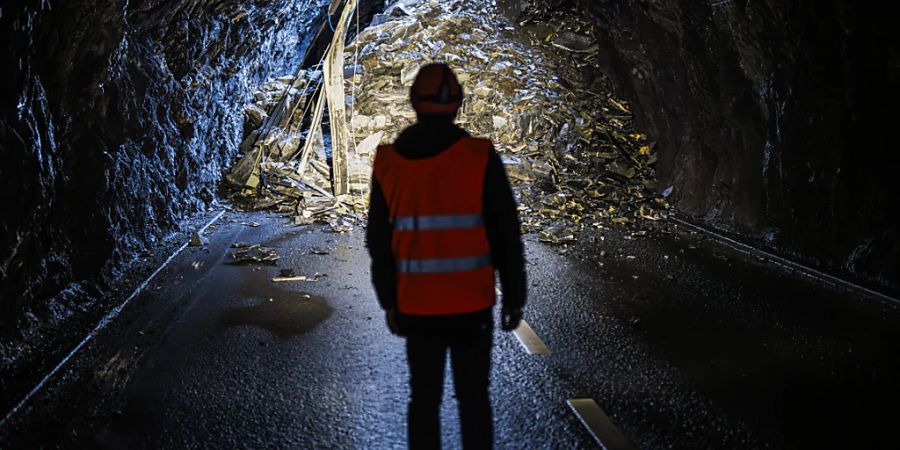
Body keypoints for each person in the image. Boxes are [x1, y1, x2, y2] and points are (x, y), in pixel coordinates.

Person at [366, 62, 527, 450]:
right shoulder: (478, 156)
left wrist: (389, 301)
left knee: (424, 400)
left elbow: (378, 241)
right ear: (459, 104)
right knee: (473, 400)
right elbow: (505, 231)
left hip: (417, 308)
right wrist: (515, 296)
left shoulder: (389, 162)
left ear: (413, 102)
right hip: (471, 307)